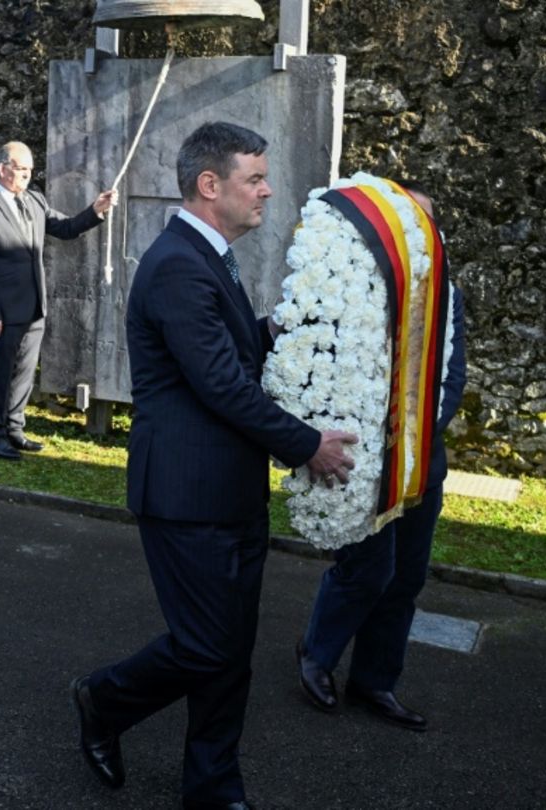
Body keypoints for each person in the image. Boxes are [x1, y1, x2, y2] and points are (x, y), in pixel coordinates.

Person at [68, 122, 358, 810]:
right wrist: (307, 443)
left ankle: (212, 786)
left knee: (230, 652)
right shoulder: (175, 264)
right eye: (254, 179)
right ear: (210, 185)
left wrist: (278, 330)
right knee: (205, 647)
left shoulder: (210, 257)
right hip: (186, 494)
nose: (266, 191)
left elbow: (227, 353)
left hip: (230, 492)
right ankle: (103, 700)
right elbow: (220, 386)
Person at [296, 189, 467, 732]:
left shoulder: (447, 296)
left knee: (406, 577)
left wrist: (414, 441)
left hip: (420, 462)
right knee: (368, 568)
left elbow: (451, 377)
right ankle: (316, 656)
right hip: (361, 460)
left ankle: (375, 682)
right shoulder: (355, 289)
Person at [0, 141, 117, 460]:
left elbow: (65, 228)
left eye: (30, 171)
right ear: (2, 169)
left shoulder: (34, 200)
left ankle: (15, 429)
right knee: (1, 372)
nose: (26, 177)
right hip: (4, 312)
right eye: (21, 170)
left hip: (34, 307)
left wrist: (96, 211)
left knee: (24, 371)